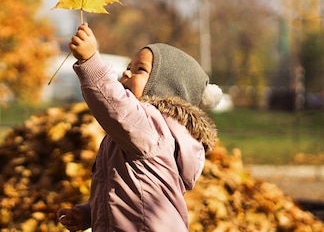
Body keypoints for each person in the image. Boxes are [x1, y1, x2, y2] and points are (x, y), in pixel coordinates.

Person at [57, 22, 222, 232]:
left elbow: (113, 103)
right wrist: (89, 213)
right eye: (128, 68)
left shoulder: (152, 127)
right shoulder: (132, 132)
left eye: (139, 70)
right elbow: (117, 187)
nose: (126, 74)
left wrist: (90, 61)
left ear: (165, 88)